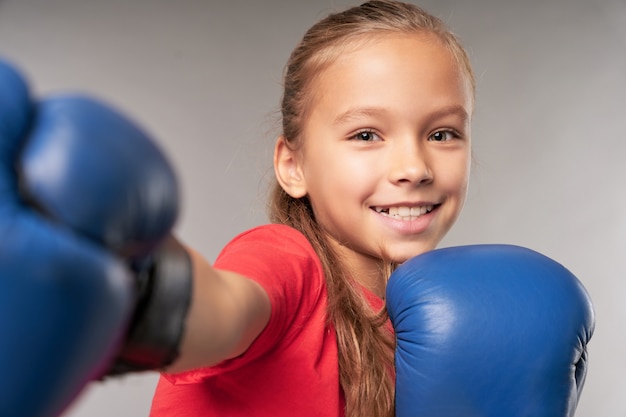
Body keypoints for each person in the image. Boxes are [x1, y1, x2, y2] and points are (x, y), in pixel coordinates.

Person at [149, 1, 474, 417]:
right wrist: (157, 301)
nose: (414, 168)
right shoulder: (287, 262)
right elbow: (224, 311)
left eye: (442, 133)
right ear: (293, 165)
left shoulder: (432, 325)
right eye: (366, 134)